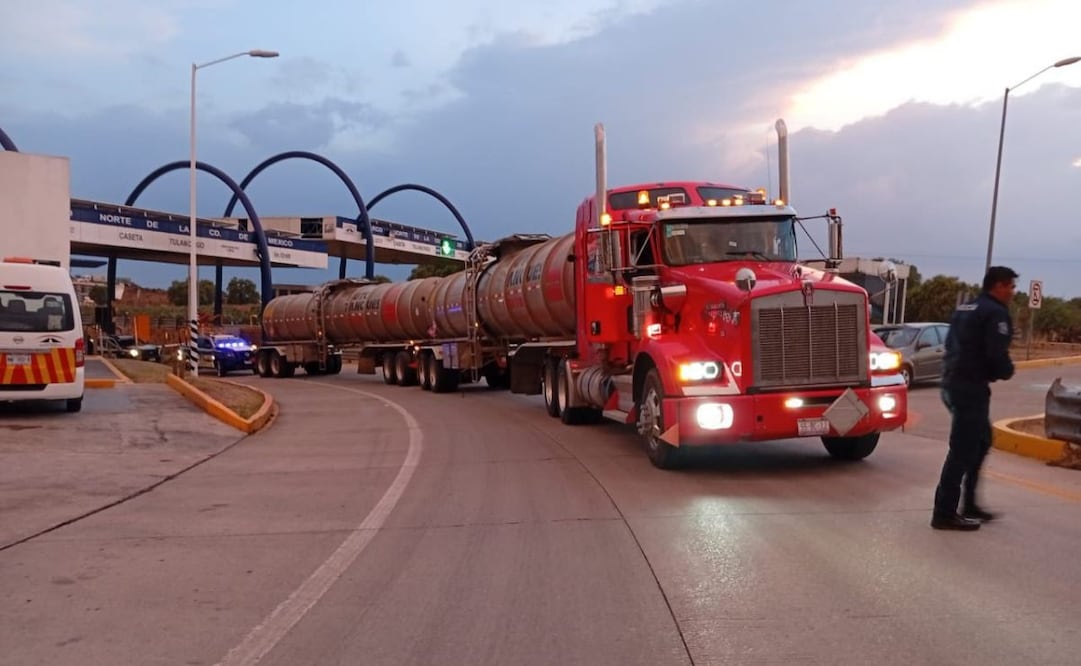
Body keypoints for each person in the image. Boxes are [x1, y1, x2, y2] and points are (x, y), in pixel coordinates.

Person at [932, 266, 1018, 531]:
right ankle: (944, 513)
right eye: (1011, 286)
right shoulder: (995, 312)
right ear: (998, 286)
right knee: (963, 448)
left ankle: (969, 503)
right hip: (970, 387)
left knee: (980, 442)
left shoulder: (966, 307)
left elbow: (952, 345)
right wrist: (1006, 370)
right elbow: (996, 353)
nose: (1013, 292)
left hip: (953, 382)